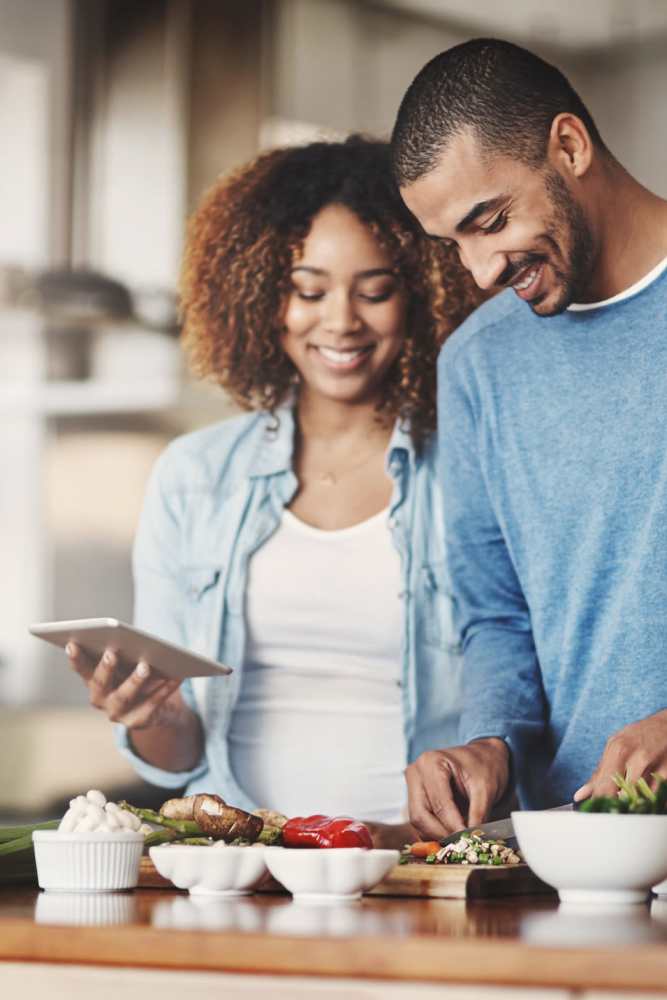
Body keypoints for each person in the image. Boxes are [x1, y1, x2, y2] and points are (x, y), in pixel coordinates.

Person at [66, 136, 481, 845]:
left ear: (420, 294)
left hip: (417, 865)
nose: (341, 320)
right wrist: (152, 714)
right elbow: (178, 761)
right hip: (238, 871)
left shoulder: (472, 468)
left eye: (374, 289)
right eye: (307, 290)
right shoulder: (194, 477)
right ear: (262, 297)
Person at [390, 38, 667, 837]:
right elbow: (498, 614)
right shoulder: (478, 361)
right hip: (577, 856)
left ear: (569, 146)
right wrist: (492, 744)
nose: (477, 271)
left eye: (490, 221)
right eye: (453, 243)